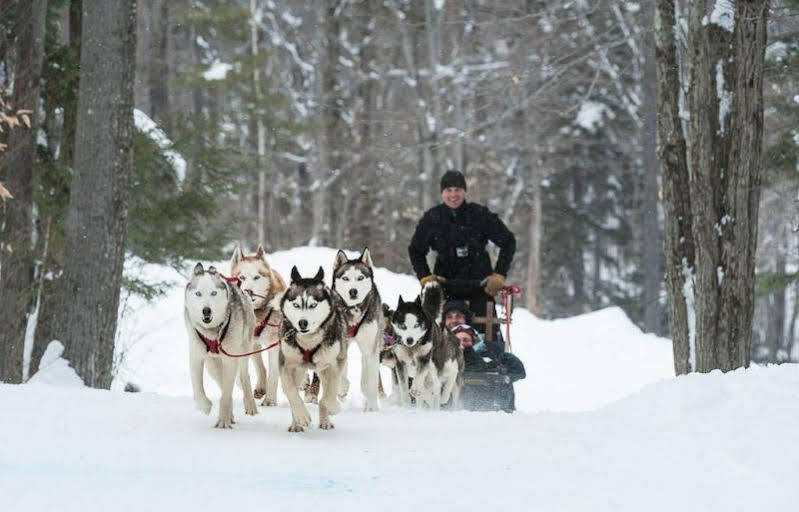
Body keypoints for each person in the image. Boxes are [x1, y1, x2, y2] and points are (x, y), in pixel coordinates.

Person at [408, 170, 516, 339]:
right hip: (445, 288)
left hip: (481, 287)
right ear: (442, 193)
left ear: (464, 191)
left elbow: (508, 241)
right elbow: (415, 250)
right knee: (441, 335)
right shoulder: (433, 218)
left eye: (457, 189)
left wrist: (499, 274)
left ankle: (491, 363)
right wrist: (425, 278)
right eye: (448, 190)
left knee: (488, 339)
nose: (453, 195)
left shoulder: (480, 215)